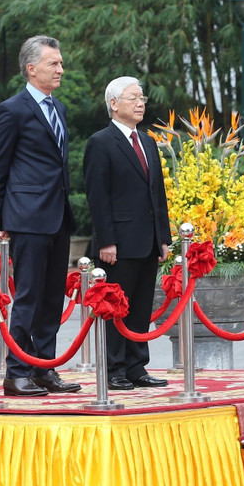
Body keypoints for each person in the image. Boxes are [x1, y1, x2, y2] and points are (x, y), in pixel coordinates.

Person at [0, 35, 81, 397]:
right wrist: (2, 217)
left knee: (53, 297)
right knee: (28, 296)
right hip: (26, 217)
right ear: (31, 68)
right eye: (53, 63)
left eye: (60, 62)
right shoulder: (12, 109)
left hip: (57, 216)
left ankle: (44, 368)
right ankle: (18, 372)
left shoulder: (60, 109)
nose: (60, 69)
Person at [84, 77, 171, 390]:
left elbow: (157, 194)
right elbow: (97, 196)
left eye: (142, 98)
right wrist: (106, 240)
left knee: (141, 306)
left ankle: (136, 367)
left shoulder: (147, 141)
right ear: (114, 103)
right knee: (115, 306)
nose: (140, 103)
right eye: (133, 98)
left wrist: (164, 237)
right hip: (117, 243)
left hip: (147, 240)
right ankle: (114, 369)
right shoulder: (101, 142)